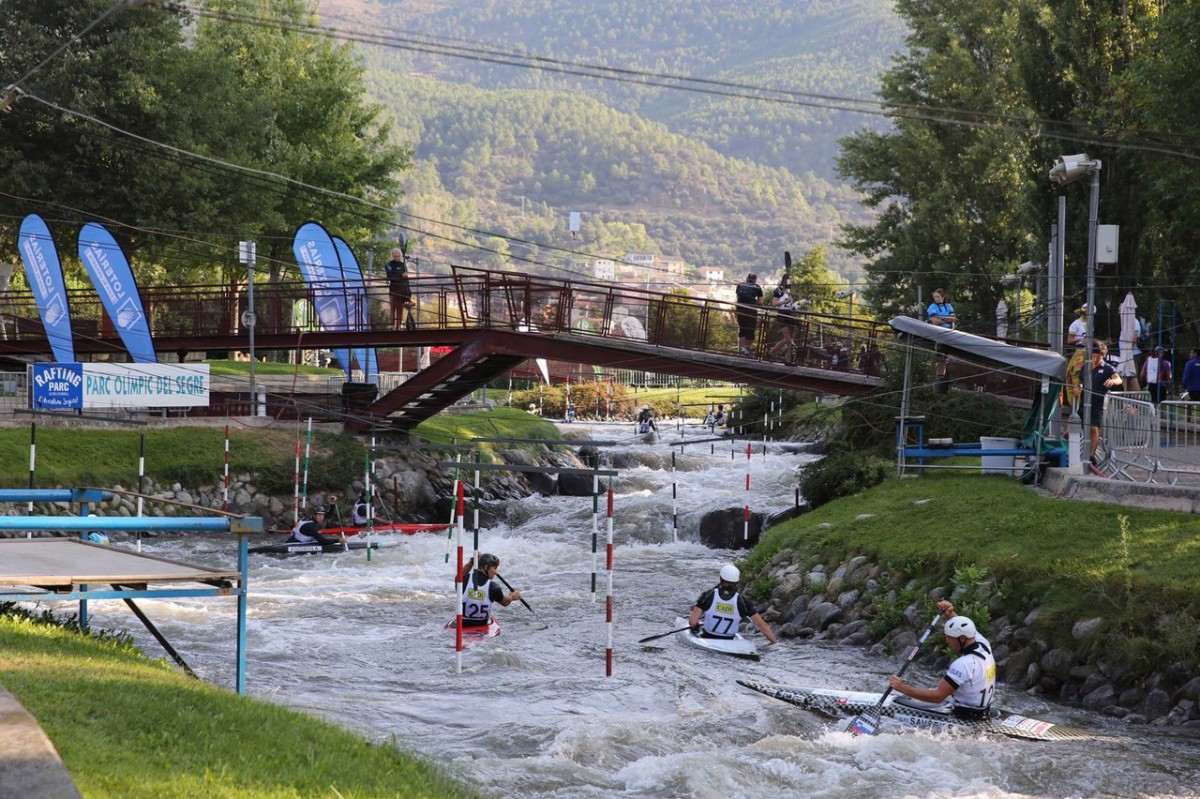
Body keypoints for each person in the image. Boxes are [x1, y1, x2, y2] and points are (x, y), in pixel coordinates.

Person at [888, 615, 995, 720]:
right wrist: (950, 614)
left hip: (964, 717)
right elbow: (966, 628)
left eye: (950, 638)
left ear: (962, 638)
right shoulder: (984, 645)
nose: (947, 641)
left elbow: (938, 697)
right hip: (983, 712)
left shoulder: (963, 664)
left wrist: (901, 688)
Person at [687, 564, 778, 645]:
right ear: (736, 582)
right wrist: (775, 643)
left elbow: (692, 622)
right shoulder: (743, 601)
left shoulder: (708, 595)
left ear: (721, 579)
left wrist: (696, 626)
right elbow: (763, 626)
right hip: (729, 641)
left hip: (707, 637)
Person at [1074, 342, 1123, 466]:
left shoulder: (1107, 368)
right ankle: (1077, 454)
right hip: (1084, 403)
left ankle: (1091, 456)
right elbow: (1079, 382)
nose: (1095, 359)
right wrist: (1077, 388)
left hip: (1098, 405)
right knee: (1079, 428)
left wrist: (1112, 381)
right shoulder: (1085, 367)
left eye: (1098, 356)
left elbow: (1118, 379)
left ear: (1103, 355)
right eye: (1093, 356)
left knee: (1093, 428)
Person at [460, 553, 521, 628]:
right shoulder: (493, 587)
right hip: (481, 625)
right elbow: (505, 602)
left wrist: (472, 561)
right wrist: (512, 597)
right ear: (486, 567)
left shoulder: (463, 580)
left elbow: (461, 573)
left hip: (462, 624)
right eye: (494, 568)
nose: (496, 572)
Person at [767, 277, 798, 363]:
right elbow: (774, 303)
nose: (791, 282)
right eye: (789, 280)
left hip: (789, 315)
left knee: (789, 339)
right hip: (782, 315)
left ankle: (772, 352)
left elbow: (790, 304)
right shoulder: (779, 290)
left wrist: (795, 305)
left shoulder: (789, 291)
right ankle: (787, 359)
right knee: (788, 339)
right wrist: (785, 302)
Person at [927, 288, 956, 381]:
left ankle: (941, 375)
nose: (936, 299)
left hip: (948, 333)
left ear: (943, 297)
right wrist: (946, 319)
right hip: (937, 333)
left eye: (938, 297)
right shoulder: (932, 307)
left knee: (944, 355)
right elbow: (935, 321)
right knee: (939, 354)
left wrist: (941, 318)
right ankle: (937, 375)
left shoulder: (948, 306)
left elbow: (953, 319)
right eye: (935, 297)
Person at [734, 272, 763, 357]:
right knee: (750, 332)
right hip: (751, 312)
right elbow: (760, 302)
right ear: (755, 279)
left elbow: (738, 298)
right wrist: (754, 303)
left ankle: (742, 351)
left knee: (742, 330)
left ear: (747, 278)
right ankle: (745, 351)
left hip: (740, 310)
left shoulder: (740, 285)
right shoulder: (757, 287)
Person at [386, 246, 414, 327]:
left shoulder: (403, 265)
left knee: (400, 310)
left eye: (398, 256)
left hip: (402, 291)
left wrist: (408, 292)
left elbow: (406, 279)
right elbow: (390, 277)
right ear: (392, 256)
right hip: (393, 290)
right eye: (395, 256)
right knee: (392, 308)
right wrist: (401, 275)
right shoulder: (389, 265)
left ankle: (399, 326)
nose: (397, 258)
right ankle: (392, 326)